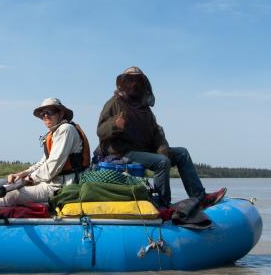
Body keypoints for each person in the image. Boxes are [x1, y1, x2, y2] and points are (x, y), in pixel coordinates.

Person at [95, 66, 226, 209]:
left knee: (182, 153)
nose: (134, 84)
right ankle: (163, 205)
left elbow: (156, 133)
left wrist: (162, 147)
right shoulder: (115, 102)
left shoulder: (145, 109)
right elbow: (100, 130)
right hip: (123, 153)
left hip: (143, 151)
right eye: (130, 80)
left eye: (138, 80)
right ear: (123, 82)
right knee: (162, 162)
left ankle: (200, 197)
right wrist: (115, 124)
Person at [0, 98, 90, 208]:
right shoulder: (54, 133)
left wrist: (30, 178)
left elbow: (53, 165)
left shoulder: (66, 129)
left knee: (8, 194)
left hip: (62, 187)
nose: (46, 116)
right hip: (52, 183)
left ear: (61, 113)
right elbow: (43, 163)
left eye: (50, 112)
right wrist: (22, 174)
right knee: (5, 188)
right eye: (43, 114)